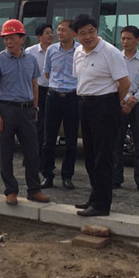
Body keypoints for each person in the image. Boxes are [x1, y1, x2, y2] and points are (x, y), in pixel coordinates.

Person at [71, 14, 130, 217]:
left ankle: (102, 205)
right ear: (76, 36)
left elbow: (125, 83)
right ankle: (95, 197)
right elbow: (80, 78)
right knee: (90, 156)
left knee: (103, 157)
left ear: (97, 31)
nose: (87, 36)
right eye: (82, 33)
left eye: (91, 31)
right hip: (85, 104)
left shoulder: (110, 52)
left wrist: (118, 104)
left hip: (105, 104)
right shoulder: (77, 52)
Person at [0, 19, 51, 206]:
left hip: (27, 110)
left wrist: (35, 107)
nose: (8, 42)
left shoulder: (31, 59)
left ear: (22, 38)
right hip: (6, 109)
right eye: (5, 38)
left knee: (32, 151)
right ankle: (11, 190)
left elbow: (35, 84)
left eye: (12, 37)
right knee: (6, 152)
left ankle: (34, 190)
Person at [113, 26, 139, 193]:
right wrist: (124, 100)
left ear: (137, 40)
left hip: (138, 104)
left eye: (128, 38)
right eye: (123, 38)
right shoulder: (116, 58)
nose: (125, 42)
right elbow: (113, 80)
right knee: (117, 142)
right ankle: (116, 179)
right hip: (119, 102)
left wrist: (133, 100)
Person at [40, 19, 79, 190]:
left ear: (73, 33)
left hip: (73, 98)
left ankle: (67, 176)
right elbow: (47, 73)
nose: (59, 33)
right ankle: (47, 175)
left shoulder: (80, 51)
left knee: (71, 140)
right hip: (53, 96)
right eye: (58, 30)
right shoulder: (51, 50)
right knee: (48, 139)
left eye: (63, 30)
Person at [25, 24, 54, 163]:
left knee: (49, 126)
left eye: (51, 32)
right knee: (37, 126)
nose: (51, 35)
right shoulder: (30, 52)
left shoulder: (56, 51)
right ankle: (32, 158)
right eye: (47, 33)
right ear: (39, 36)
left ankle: (44, 159)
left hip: (52, 91)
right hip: (37, 91)